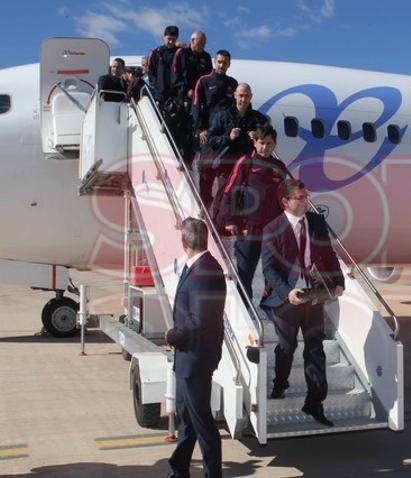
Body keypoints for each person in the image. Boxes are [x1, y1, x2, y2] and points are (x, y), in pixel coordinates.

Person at [261, 179, 345, 427]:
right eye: (301, 197)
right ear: (286, 202)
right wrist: (288, 292)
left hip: (314, 293)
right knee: (286, 347)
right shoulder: (272, 229)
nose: (307, 201)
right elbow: (269, 269)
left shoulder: (317, 222)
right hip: (286, 298)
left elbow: (328, 253)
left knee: (315, 349)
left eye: (307, 196)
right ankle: (280, 382)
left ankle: (315, 402)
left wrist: (339, 281)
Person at [166, 217, 225, 478]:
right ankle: (179, 470)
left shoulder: (205, 270)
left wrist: (172, 335)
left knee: (202, 424)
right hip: (188, 359)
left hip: (195, 359)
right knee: (186, 419)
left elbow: (198, 320)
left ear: (183, 241)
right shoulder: (199, 266)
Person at [217, 124, 287, 301]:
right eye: (262, 143)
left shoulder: (279, 167)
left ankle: (272, 310)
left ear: (275, 145)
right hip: (248, 229)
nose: (265, 147)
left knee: (273, 275)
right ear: (255, 142)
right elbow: (229, 191)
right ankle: (246, 314)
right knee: (245, 275)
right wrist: (230, 220)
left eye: (269, 144)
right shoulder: (246, 162)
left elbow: (284, 198)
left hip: (272, 231)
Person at [203, 83, 268, 211]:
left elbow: (269, 136)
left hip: (247, 166)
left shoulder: (258, 118)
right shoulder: (223, 116)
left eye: (246, 96)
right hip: (226, 166)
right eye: (240, 96)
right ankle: (216, 223)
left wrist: (258, 135)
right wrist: (228, 138)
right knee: (223, 197)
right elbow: (211, 140)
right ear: (235, 96)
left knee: (242, 200)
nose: (243, 99)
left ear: (251, 97)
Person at [192, 50, 238, 147]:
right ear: (215, 62)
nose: (221, 65)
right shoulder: (204, 81)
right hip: (207, 130)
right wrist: (199, 128)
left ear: (229, 64)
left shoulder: (233, 83)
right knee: (207, 160)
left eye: (225, 63)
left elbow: (237, 106)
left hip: (226, 130)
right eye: (219, 62)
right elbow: (196, 105)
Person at [173, 31, 212, 106]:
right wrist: (186, 91)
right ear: (192, 41)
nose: (203, 46)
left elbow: (209, 77)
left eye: (204, 44)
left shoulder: (206, 57)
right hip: (182, 97)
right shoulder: (182, 53)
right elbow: (175, 74)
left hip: (200, 98)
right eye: (200, 43)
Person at [146, 25, 180, 104]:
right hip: (159, 94)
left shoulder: (180, 53)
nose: (171, 42)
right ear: (164, 37)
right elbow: (151, 73)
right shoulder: (156, 53)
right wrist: (156, 92)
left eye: (173, 39)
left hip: (175, 94)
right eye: (169, 39)